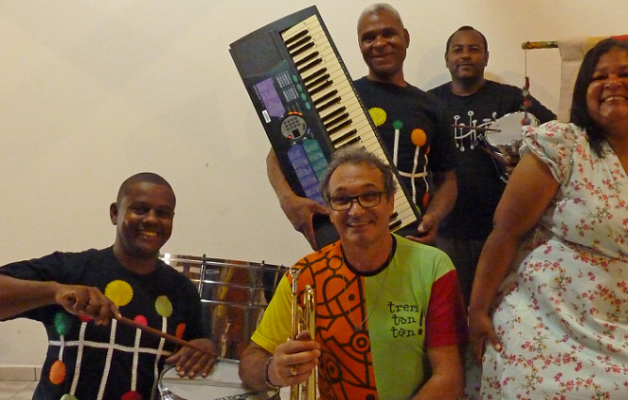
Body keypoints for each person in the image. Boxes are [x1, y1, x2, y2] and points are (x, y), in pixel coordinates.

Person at [468, 38, 628, 399]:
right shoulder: (563, 145)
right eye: (599, 77)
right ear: (584, 93)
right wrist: (478, 312)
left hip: (622, 327)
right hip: (541, 317)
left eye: (626, 74)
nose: (613, 83)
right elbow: (506, 232)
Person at [240, 146, 467, 399]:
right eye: (341, 200)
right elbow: (250, 363)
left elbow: (449, 378)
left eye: (369, 196)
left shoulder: (433, 267)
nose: (356, 210)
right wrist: (272, 370)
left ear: (391, 202)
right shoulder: (303, 275)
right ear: (329, 210)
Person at [0, 172, 216, 400]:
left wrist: (204, 348)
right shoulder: (70, 270)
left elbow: (195, 345)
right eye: (140, 209)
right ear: (115, 213)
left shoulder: (182, 290)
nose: (152, 219)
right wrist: (55, 291)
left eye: (163, 213)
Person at [267, 3, 457, 249]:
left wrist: (435, 216)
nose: (379, 43)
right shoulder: (331, 97)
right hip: (348, 241)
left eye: (388, 33)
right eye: (369, 38)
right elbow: (277, 154)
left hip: (411, 240)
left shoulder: (432, 107)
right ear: (360, 45)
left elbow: (446, 179)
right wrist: (288, 200)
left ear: (406, 38)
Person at [427, 26, 556, 302]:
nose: (465, 55)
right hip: (447, 228)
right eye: (458, 50)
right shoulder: (429, 103)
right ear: (447, 59)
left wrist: (526, 161)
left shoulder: (511, 98)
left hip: (503, 228)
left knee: (500, 305)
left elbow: (556, 134)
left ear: (486, 57)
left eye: (474, 49)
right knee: (452, 306)